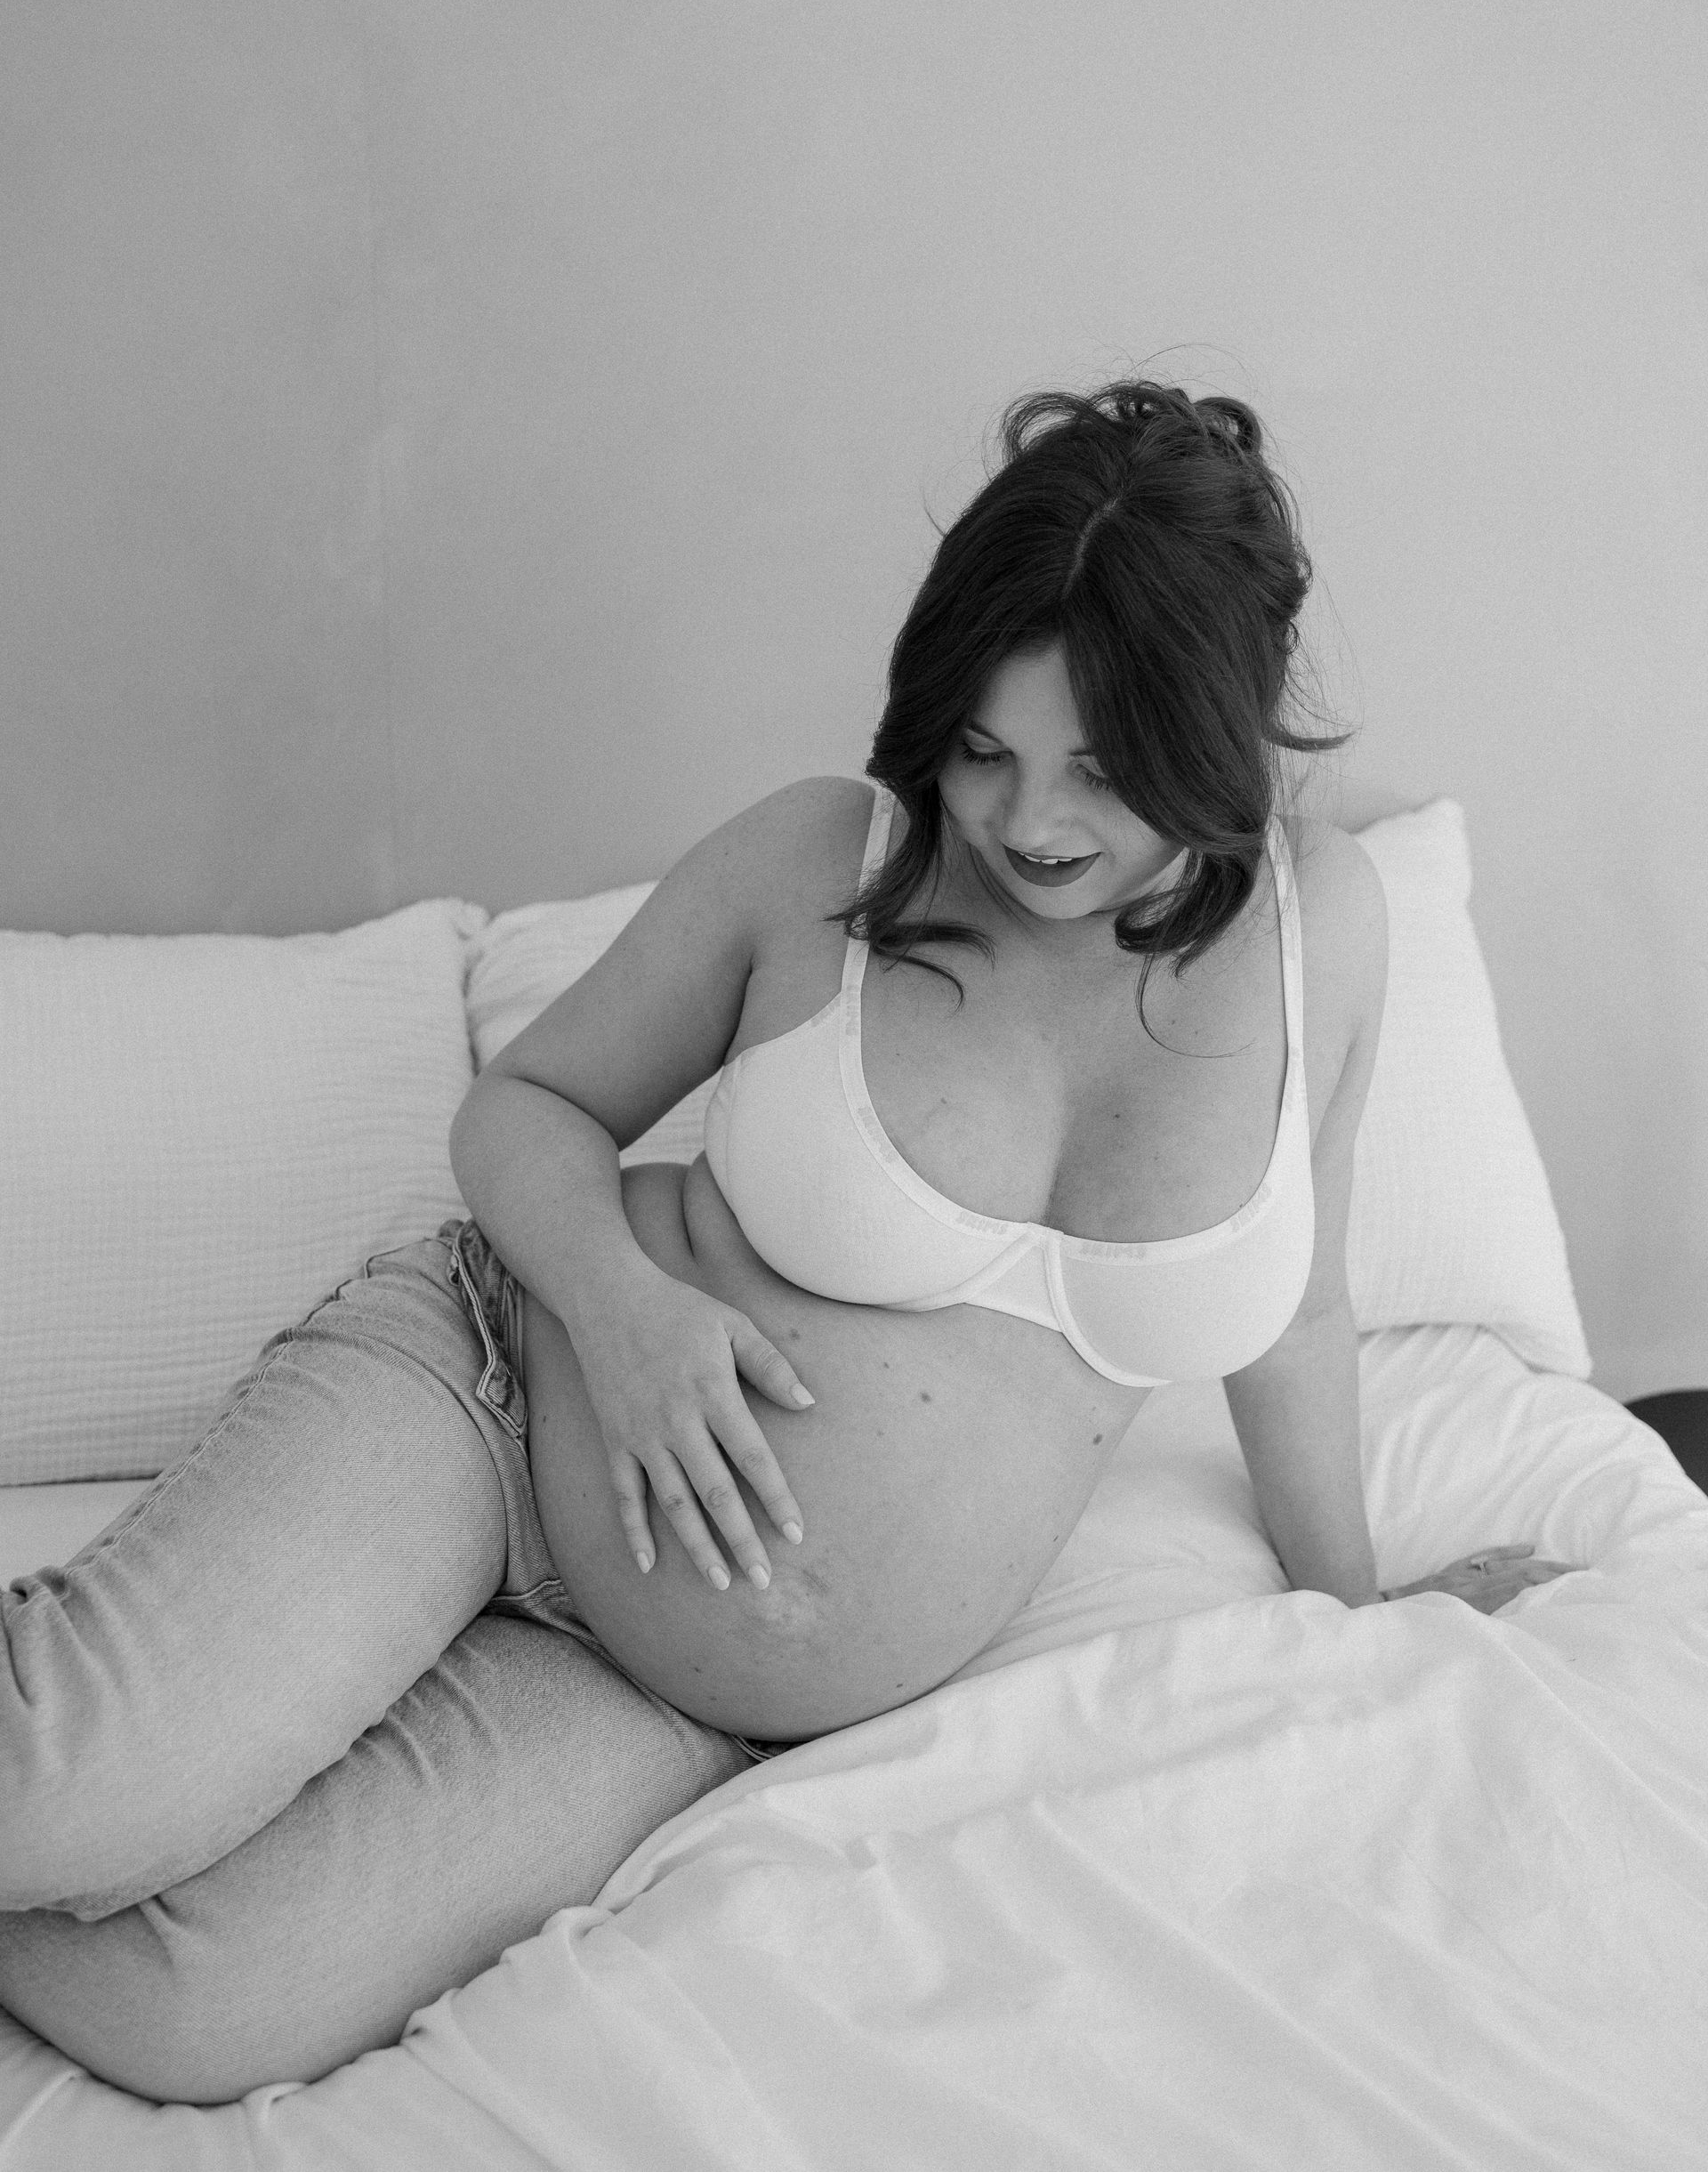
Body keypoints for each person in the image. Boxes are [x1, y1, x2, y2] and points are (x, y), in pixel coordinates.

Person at [0, 379, 1571, 2102]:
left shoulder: (1319, 934)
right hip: (493, 1403)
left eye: (1103, 775)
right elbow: (522, 1110)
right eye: (984, 747)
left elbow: (1298, 1313)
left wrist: (1370, 1604)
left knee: (198, 2005)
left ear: (1220, 742)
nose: (1027, 822)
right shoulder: (833, 858)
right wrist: (629, 1321)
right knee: (66, 1784)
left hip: (671, 1705)